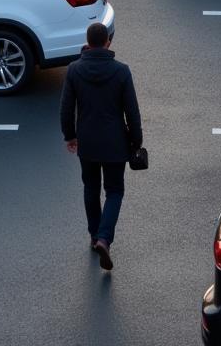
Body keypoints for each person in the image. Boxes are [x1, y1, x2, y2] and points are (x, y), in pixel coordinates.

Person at [60, 22, 142, 272]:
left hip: (88, 143)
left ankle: (95, 236)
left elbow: (66, 108)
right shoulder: (121, 71)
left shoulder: (74, 70)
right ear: (108, 42)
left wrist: (70, 136)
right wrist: (136, 142)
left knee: (91, 188)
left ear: (88, 41)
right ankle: (105, 238)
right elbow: (132, 112)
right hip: (116, 143)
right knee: (115, 191)